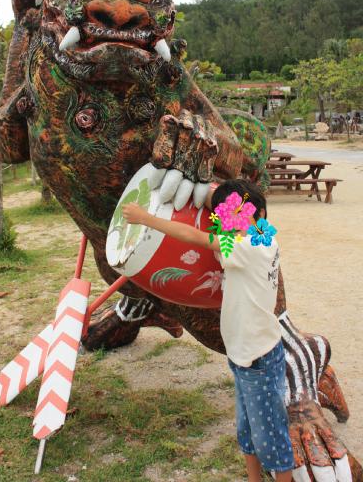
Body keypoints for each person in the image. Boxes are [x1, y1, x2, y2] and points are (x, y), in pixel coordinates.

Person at [122, 179, 294, 482]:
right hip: (244, 354)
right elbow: (223, 238)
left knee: (271, 439)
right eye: (227, 216)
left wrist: (145, 218)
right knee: (247, 431)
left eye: (239, 215)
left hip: (258, 359)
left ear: (259, 215)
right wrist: (217, 202)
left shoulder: (248, 247)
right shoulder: (263, 238)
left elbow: (195, 236)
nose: (231, 223)